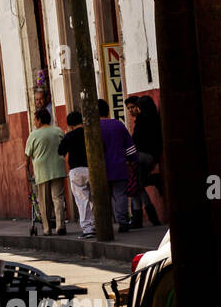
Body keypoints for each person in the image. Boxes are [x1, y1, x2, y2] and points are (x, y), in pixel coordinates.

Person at [97, 98, 138, 232]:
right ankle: (123, 221)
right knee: (120, 194)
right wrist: (133, 160)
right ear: (108, 111)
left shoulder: (93, 127)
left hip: (101, 169)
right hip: (120, 166)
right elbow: (130, 146)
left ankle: (105, 224)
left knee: (102, 196)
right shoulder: (118, 124)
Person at [25, 107, 67, 235]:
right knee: (58, 198)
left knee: (44, 201)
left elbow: (27, 155)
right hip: (58, 168)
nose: (34, 122)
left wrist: (27, 166)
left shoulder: (33, 135)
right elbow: (64, 148)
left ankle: (47, 228)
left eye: (35, 120)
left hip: (42, 171)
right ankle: (60, 226)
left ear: (39, 120)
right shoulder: (58, 131)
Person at [127, 94, 164, 227]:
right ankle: (148, 218)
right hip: (151, 156)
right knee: (139, 185)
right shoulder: (155, 119)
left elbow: (135, 141)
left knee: (137, 186)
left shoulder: (142, 121)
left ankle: (140, 218)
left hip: (141, 156)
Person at [58, 111, 95, 239]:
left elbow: (60, 151)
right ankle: (96, 224)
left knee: (82, 200)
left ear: (70, 125)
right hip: (92, 168)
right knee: (94, 198)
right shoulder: (90, 132)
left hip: (76, 170)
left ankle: (87, 228)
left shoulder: (69, 135)